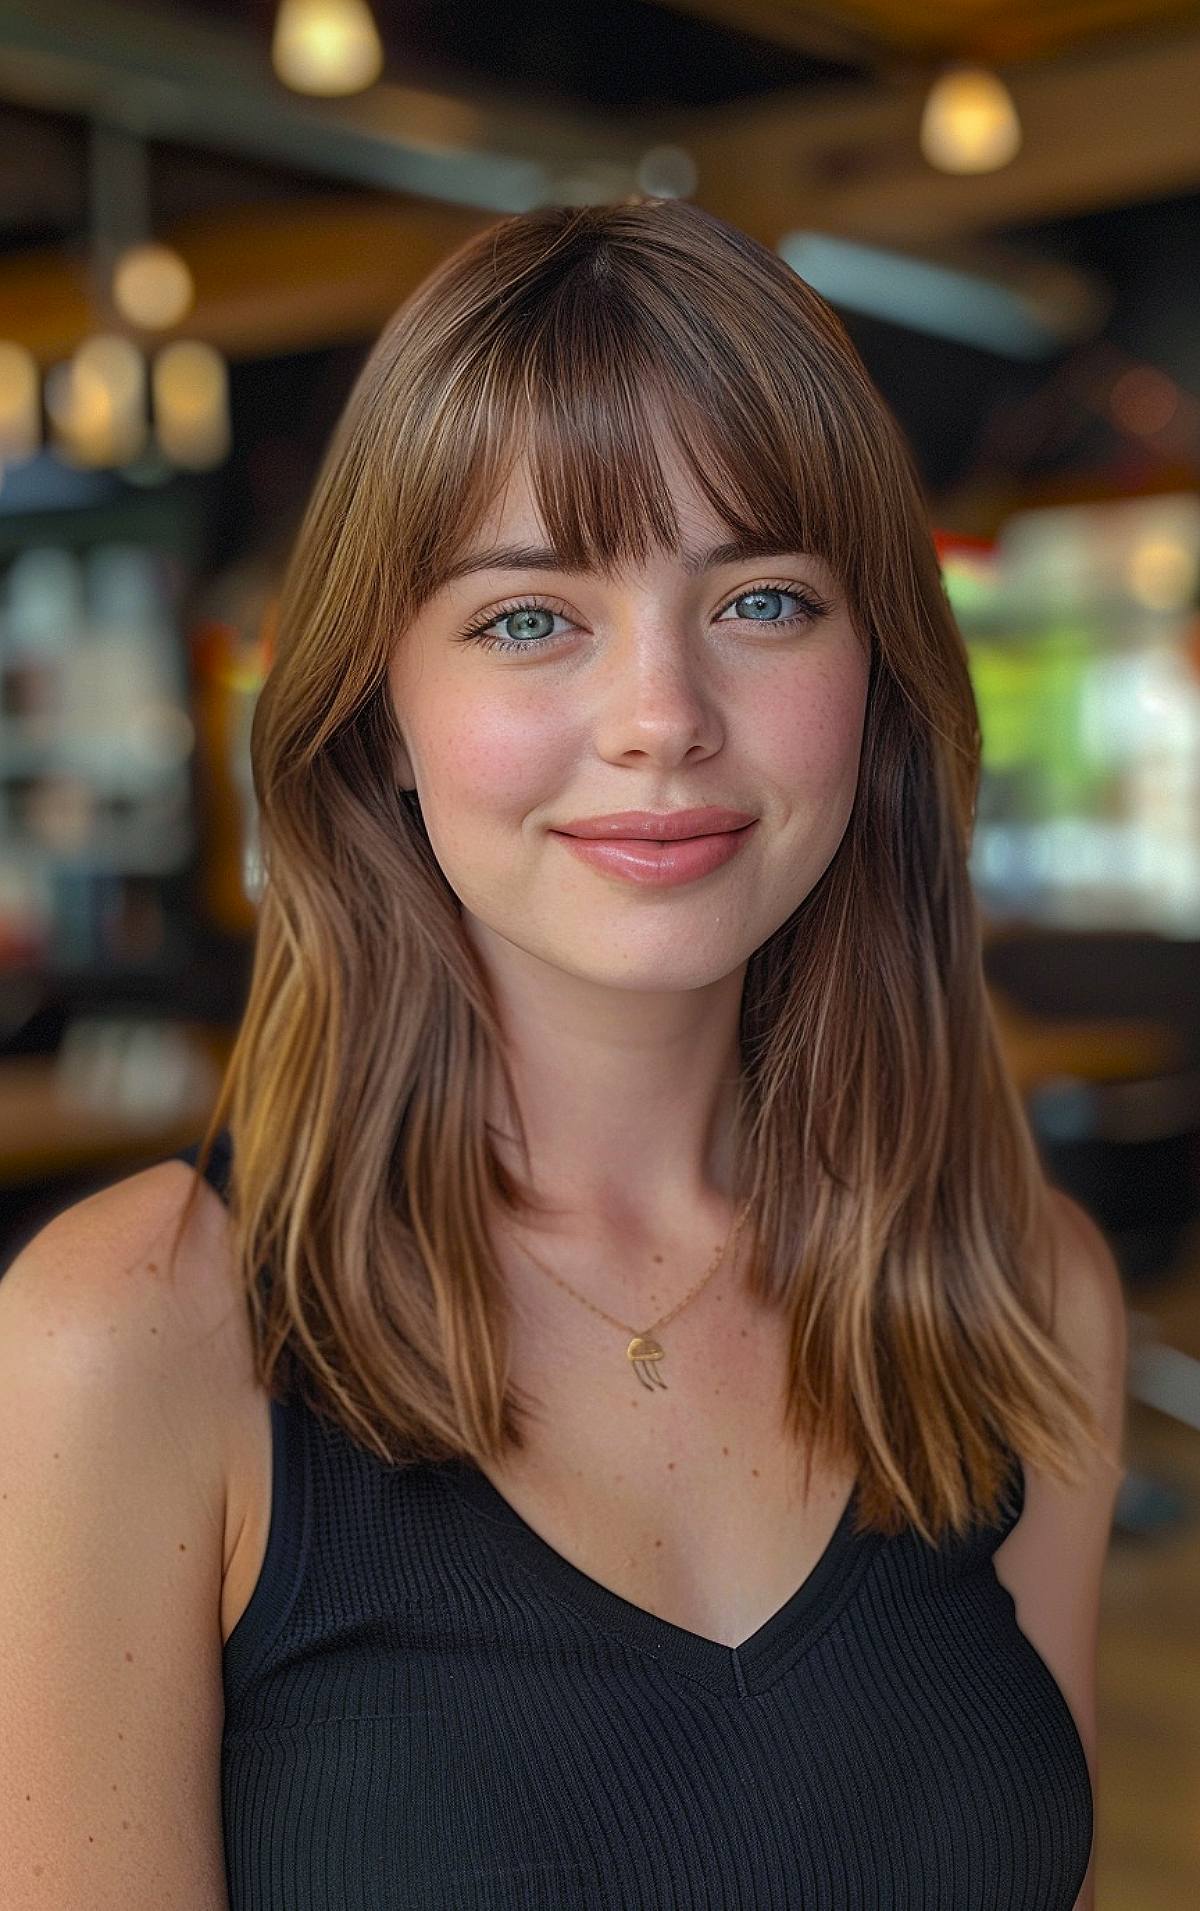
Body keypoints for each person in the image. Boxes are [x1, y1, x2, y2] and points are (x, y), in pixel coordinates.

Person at [0, 197, 1125, 1910]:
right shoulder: (130, 1338)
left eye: (761, 598)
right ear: (378, 711)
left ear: (878, 675)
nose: (662, 713)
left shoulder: (1022, 1287)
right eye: (530, 616)